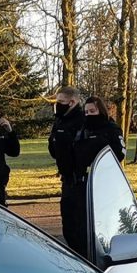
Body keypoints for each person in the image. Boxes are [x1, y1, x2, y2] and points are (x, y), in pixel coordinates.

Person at [69, 96, 126, 258]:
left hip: (104, 183)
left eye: (92, 111)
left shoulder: (111, 129)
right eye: (86, 112)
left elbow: (120, 153)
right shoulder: (81, 130)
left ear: (100, 110)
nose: (88, 115)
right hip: (83, 183)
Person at [48, 86, 84, 250]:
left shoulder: (83, 120)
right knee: (68, 225)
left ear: (73, 102)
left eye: (61, 102)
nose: (58, 105)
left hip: (81, 181)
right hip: (67, 179)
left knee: (80, 226)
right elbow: (53, 148)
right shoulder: (60, 120)